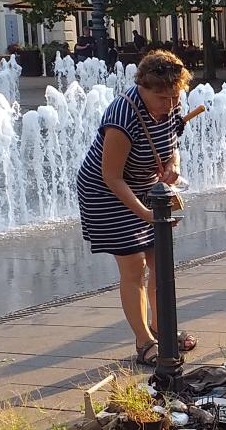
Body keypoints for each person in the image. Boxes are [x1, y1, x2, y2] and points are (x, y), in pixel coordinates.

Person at [75, 50, 200, 367]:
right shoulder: (122, 116)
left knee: (160, 263)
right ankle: (144, 341)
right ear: (143, 87)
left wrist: (171, 168)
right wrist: (145, 214)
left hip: (146, 189)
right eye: (162, 98)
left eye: (175, 97)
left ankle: (163, 328)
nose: (170, 105)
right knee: (134, 268)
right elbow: (111, 176)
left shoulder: (170, 106)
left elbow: (172, 148)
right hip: (106, 193)